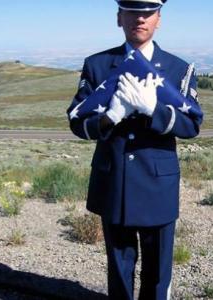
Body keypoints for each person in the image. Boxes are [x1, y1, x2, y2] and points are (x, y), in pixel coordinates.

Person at [67, 1, 203, 299]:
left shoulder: (179, 69)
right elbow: (77, 121)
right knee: (119, 270)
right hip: (114, 181)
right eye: (131, 11)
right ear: (119, 17)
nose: (139, 18)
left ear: (159, 19)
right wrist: (109, 117)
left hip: (157, 184)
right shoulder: (98, 65)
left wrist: (154, 110)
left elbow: (191, 125)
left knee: (157, 275)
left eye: (147, 13)